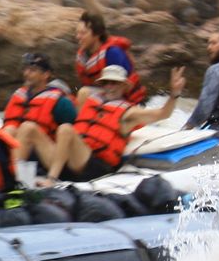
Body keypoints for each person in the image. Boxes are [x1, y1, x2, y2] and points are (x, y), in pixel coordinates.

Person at [40, 63, 184, 184]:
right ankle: (28, 175)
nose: (110, 86)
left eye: (114, 83)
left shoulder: (129, 113)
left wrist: (174, 94)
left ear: (123, 86)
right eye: (106, 83)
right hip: (73, 160)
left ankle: (51, 179)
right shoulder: (89, 100)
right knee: (30, 128)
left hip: (95, 167)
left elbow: (163, 114)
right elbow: (83, 95)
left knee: (65, 129)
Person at [2, 52, 77, 176]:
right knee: (9, 130)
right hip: (21, 150)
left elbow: (73, 133)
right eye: (26, 69)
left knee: (28, 128)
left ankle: (13, 177)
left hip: (47, 156)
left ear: (45, 75)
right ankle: (0, 171)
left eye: (32, 70)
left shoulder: (60, 102)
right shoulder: (19, 94)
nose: (26, 73)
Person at [72, 12, 146, 105]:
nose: (78, 37)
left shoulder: (112, 53)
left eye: (83, 33)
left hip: (125, 99)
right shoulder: (83, 56)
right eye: (77, 33)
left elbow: (126, 85)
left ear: (97, 34)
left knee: (84, 93)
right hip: (105, 95)